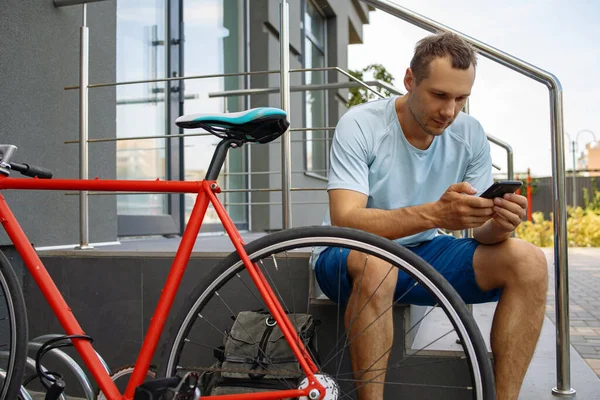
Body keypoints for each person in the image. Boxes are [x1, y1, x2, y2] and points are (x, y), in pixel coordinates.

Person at [311, 32, 548, 400]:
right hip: (348, 255)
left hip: (425, 253)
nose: (450, 111)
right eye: (439, 95)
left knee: (529, 261)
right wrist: (435, 213)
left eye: (461, 98)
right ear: (409, 80)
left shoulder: (469, 134)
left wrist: (499, 224)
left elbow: (482, 234)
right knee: (378, 264)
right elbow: (346, 218)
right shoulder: (361, 124)